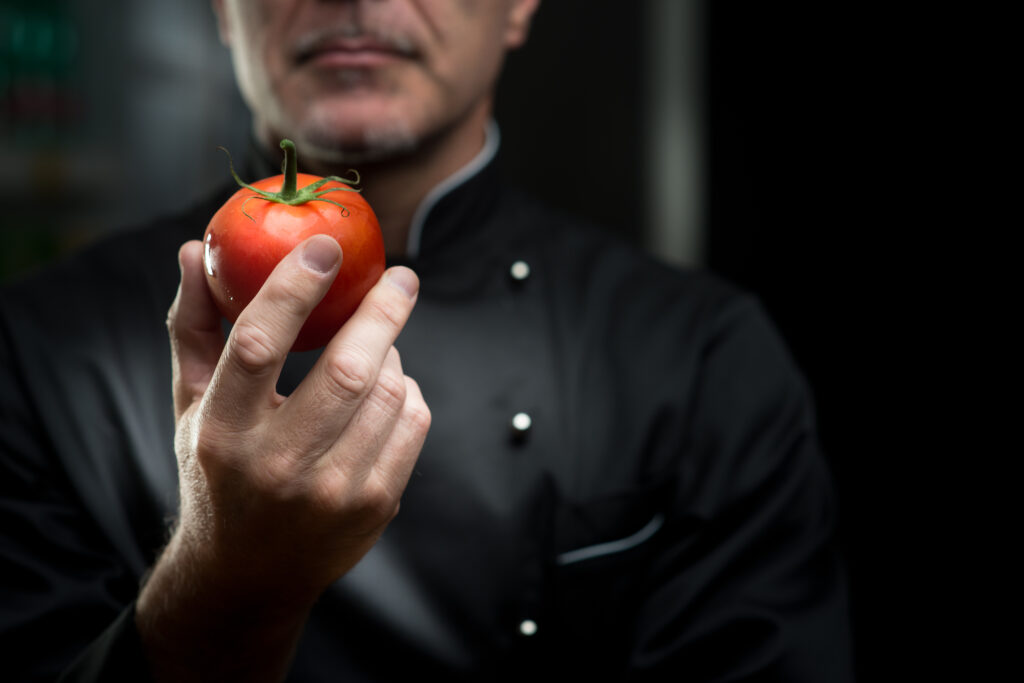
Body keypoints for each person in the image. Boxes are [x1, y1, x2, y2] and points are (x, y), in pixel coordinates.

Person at [0, 1, 854, 680]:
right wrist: (225, 587)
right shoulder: (39, 348)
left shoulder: (703, 356)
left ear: (520, 7)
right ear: (224, 10)